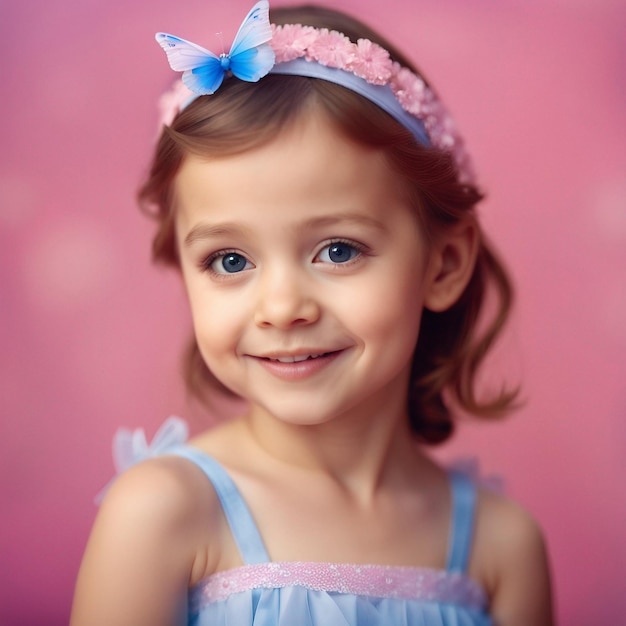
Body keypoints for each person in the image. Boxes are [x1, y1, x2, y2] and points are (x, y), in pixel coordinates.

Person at [70, 2, 554, 625]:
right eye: (230, 261)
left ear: (444, 264)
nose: (282, 308)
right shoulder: (164, 514)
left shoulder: (501, 546)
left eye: (338, 250)